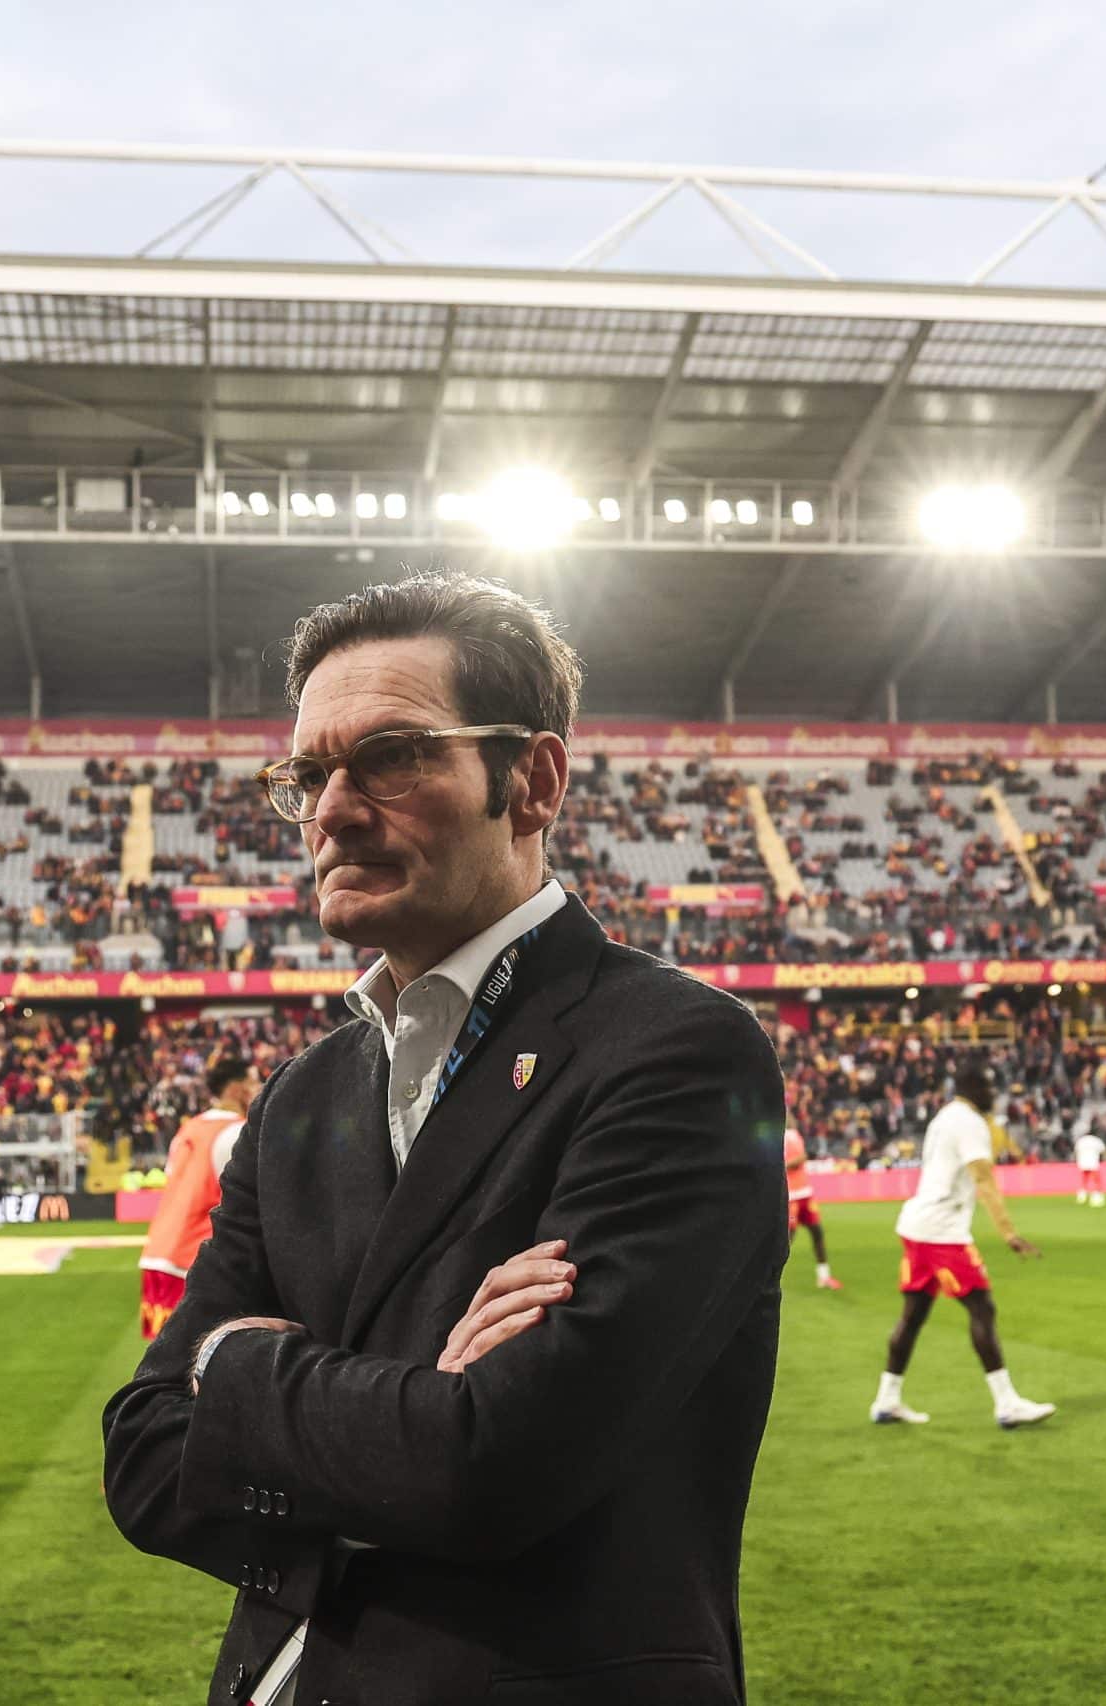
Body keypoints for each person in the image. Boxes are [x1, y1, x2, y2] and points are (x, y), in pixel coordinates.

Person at [103, 574, 786, 1706]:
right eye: (308, 774)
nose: (330, 810)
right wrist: (412, 1407)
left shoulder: (675, 1051)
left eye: (390, 756)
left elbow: (496, 1465)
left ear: (531, 782)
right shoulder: (301, 1094)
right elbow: (143, 1458)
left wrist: (233, 1371)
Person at [870, 1062, 1053, 1430]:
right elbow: (983, 1177)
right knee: (982, 1308)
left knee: (914, 1314)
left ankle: (887, 1398)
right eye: (988, 1088)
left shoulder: (946, 1116)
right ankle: (1006, 1403)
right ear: (975, 1088)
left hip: (917, 1224)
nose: (993, 1095)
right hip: (942, 1230)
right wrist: (1008, 1231)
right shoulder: (970, 1123)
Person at [138, 1053, 258, 1339]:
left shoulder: (189, 1128)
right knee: (204, 1367)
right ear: (236, 1088)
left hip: (159, 1255)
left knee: (168, 1368)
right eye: (253, 1083)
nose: (259, 1090)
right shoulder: (237, 1133)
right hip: (194, 1264)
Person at [784, 1125, 839, 1288]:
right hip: (791, 1196)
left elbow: (801, 1157)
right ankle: (769, 1276)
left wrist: (802, 1158)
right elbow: (792, 1160)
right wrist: (798, 1160)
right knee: (787, 1238)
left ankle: (824, 1276)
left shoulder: (795, 1133)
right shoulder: (777, 1136)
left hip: (805, 1195)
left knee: (817, 1232)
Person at [1073, 1127, 1106, 1207]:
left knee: (1084, 1180)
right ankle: (1096, 1197)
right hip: (1093, 1162)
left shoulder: (1081, 1140)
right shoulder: (1096, 1140)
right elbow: (1103, 1151)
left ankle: (1081, 1197)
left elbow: (1076, 1151)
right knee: (1097, 1180)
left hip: (1082, 1162)